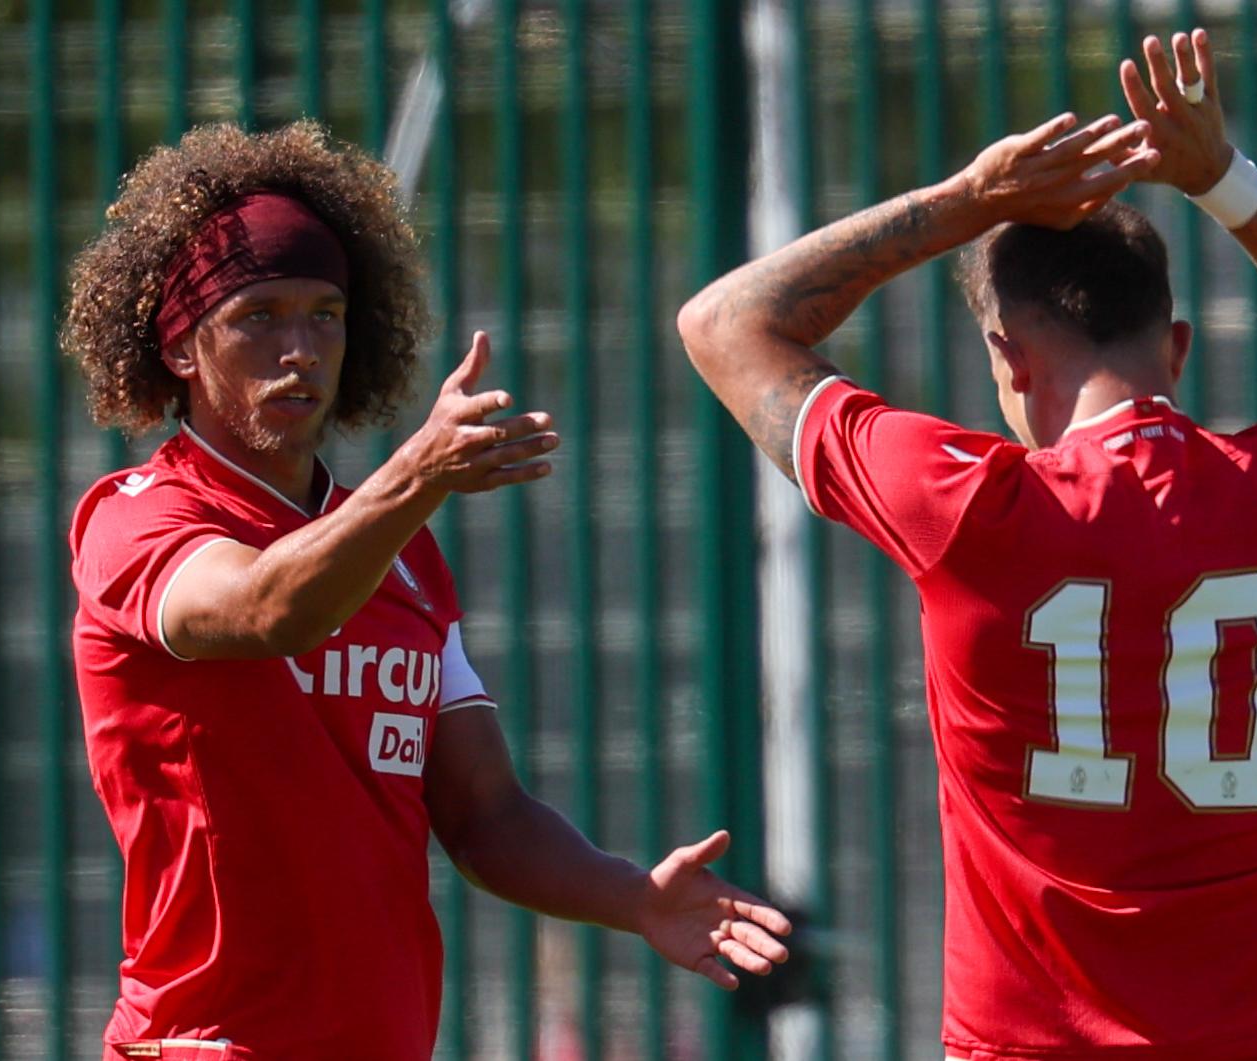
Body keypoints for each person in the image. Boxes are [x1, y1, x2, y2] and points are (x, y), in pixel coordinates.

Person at [678, 30, 1257, 1060]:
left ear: (1005, 357)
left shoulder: (971, 509)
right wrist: (1222, 178)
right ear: (1177, 344)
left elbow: (724, 323)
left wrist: (973, 197)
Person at [63, 121, 790, 1061]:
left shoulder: (399, 554)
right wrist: (417, 479)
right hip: (209, 1046)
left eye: (325, 313)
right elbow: (267, 610)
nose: (299, 349)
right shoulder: (137, 519)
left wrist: (632, 895)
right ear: (179, 348)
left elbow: (485, 813)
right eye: (258, 316)